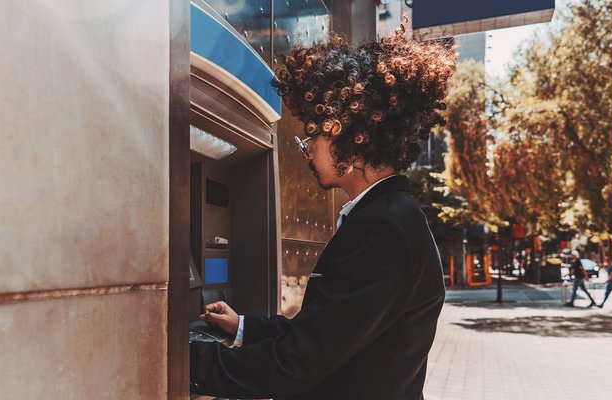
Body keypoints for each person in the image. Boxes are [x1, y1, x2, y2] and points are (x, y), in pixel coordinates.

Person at [188, 27, 456, 400]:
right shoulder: (388, 217)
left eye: (314, 132)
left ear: (351, 133)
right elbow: (330, 330)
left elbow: (298, 363)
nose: (307, 147)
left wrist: (188, 361)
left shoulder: (385, 228)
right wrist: (243, 327)